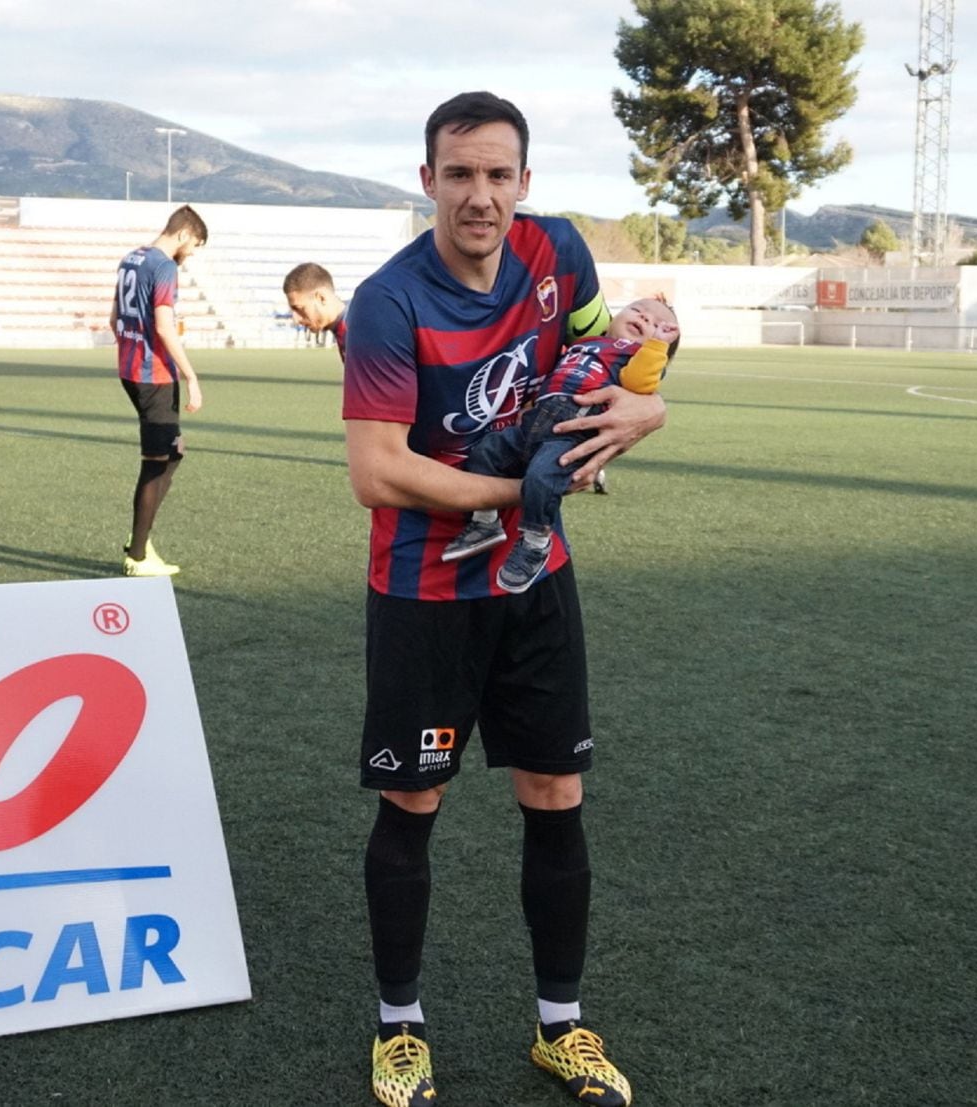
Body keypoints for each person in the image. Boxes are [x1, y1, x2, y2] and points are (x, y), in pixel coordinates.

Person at [343, 91, 665, 1107]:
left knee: (556, 795)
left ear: (524, 182)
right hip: (425, 590)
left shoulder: (558, 252)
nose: (479, 196)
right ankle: (401, 1027)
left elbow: (599, 361)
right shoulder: (390, 303)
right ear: (427, 178)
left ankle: (559, 1028)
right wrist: (525, 488)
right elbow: (378, 473)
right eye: (459, 174)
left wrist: (649, 399)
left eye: (497, 175)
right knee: (414, 801)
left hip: (536, 586)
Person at [443, 299, 680, 592]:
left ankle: (535, 542)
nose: (645, 318)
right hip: (532, 424)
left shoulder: (636, 357)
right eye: (637, 310)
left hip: (569, 432)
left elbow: (641, 381)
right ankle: (485, 522)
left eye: (656, 324)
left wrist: (656, 347)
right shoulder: (585, 343)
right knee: (486, 451)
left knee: (541, 478)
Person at [111, 204, 208, 577]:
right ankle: (137, 554)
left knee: (174, 450)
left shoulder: (130, 259)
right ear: (184, 234)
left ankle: (141, 534)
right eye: (195, 245)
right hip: (154, 376)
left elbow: (113, 317)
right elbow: (166, 329)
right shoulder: (164, 266)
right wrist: (192, 377)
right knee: (155, 462)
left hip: (130, 369)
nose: (193, 254)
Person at [283, 262, 347, 360]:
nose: (296, 319)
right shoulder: (347, 328)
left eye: (300, 309)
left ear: (321, 298)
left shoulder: (356, 331)